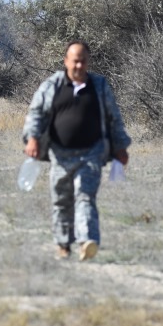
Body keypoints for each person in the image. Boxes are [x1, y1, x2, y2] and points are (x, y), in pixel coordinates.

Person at [22, 41, 131, 261]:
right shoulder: (52, 85)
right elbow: (36, 113)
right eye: (75, 61)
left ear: (88, 62)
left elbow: (114, 118)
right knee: (61, 200)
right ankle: (63, 245)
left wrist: (120, 146)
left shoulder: (99, 86)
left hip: (91, 153)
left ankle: (87, 242)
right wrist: (32, 138)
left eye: (83, 61)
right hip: (59, 154)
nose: (79, 66)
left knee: (85, 196)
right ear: (66, 61)